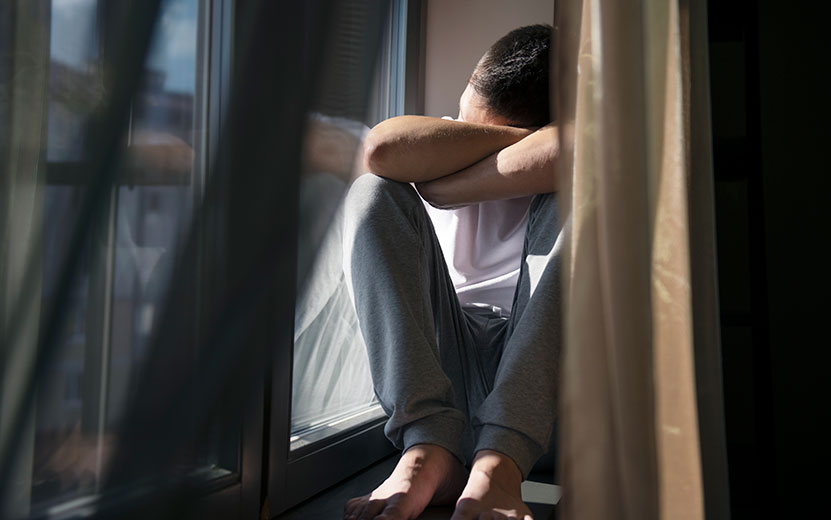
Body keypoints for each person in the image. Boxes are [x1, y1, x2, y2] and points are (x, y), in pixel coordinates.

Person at [342, 24, 561, 520]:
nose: (464, 130)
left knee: (581, 197)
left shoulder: (580, 146)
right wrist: (511, 146)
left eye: (487, 129)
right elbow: (380, 151)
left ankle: (498, 468)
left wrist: (449, 185)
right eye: (468, 122)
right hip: (444, 388)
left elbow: (584, 146)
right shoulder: (442, 138)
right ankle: (428, 450)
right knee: (371, 193)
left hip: (536, 396)